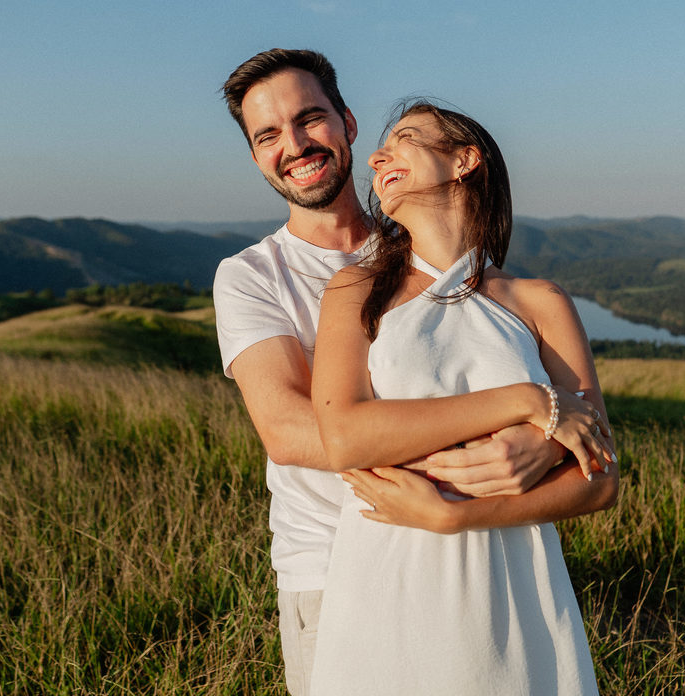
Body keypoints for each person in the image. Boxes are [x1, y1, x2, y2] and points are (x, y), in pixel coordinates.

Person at [214, 49, 608, 695]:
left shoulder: (510, 291)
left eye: (310, 119)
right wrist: (526, 419)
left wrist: (521, 458)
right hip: (341, 559)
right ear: (256, 155)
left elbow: (601, 468)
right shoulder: (260, 277)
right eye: (267, 135)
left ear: (345, 122)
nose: (294, 144)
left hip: (509, 560)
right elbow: (293, 432)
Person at [308, 101, 619, 694]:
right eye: (379, 150)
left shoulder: (540, 302)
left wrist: (456, 516)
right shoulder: (356, 289)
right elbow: (345, 436)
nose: (377, 157)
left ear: (464, 160)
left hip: (514, 579)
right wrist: (526, 399)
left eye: (404, 139)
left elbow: (602, 479)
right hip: (389, 569)